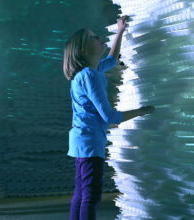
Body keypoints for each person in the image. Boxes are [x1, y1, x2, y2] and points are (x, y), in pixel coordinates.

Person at [63, 16, 154, 220]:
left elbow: (112, 60)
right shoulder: (91, 76)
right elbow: (109, 116)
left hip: (82, 140)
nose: (99, 38)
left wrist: (120, 31)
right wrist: (142, 111)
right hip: (89, 141)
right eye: (94, 37)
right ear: (84, 50)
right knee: (91, 196)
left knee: (81, 193)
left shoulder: (87, 72)